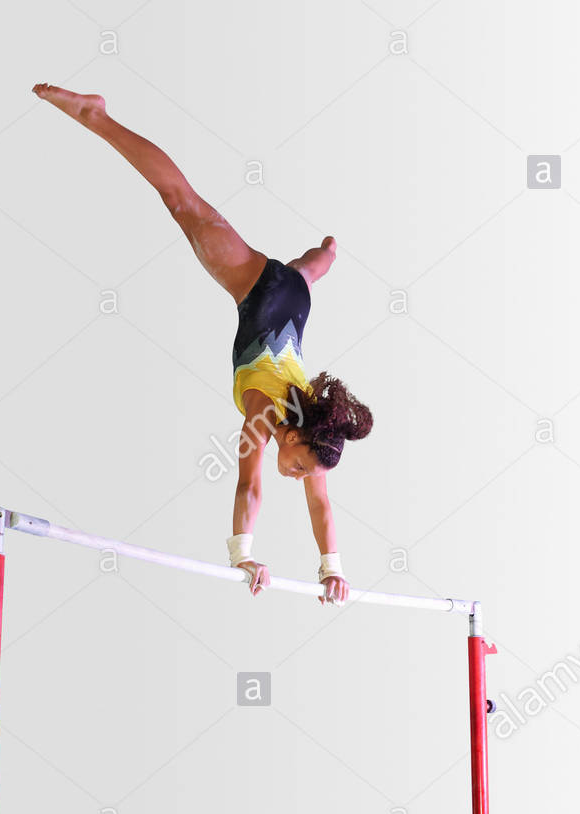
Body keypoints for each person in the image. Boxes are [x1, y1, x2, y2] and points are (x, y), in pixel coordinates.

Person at [32, 84, 373, 605]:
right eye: (302, 466)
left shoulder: (311, 433)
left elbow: (322, 508)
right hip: (258, 292)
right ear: (294, 436)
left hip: (297, 301)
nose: (300, 477)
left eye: (306, 472)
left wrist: (333, 569)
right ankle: (95, 115)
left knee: (308, 269)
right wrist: (243, 555)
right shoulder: (262, 414)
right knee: (183, 204)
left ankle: (324, 255)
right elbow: (248, 488)